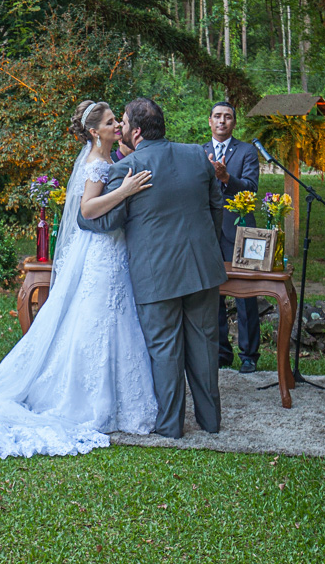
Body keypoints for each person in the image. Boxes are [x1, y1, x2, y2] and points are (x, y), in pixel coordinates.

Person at [0, 101, 157, 457]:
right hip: (99, 251)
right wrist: (124, 192)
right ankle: (87, 401)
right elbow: (88, 209)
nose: (117, 125)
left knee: (110, 318)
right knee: (98, 320)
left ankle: (117, 398)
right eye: (109, 121)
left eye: (117, 120)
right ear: (93, 131)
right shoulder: (98, 164)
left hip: (108, 249)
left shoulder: (106, 159)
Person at [79, 97, 227, 438]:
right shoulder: (196, 155)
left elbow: (109, 221)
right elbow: (216, 206)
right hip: (203, 268)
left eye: (125, 124)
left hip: (155, 272)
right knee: (205, 344)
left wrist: (82, 216)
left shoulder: (127, 170)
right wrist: (206, 244)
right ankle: (210, 421)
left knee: (164, 349)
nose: (121, 129)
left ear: (138, 131)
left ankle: (171, 426)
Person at [204, 101, 261, 373]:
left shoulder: (247, 152)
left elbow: (250, 188)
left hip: (240, 231)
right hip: (207, 231)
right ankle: (220, 351)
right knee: (212, 293)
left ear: (234, 123)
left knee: (246, 295)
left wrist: (227, 177)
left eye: (227, 117)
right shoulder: (199, 152)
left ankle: (249, 354)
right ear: (210, 121)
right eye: (217, 116)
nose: (222, 121)